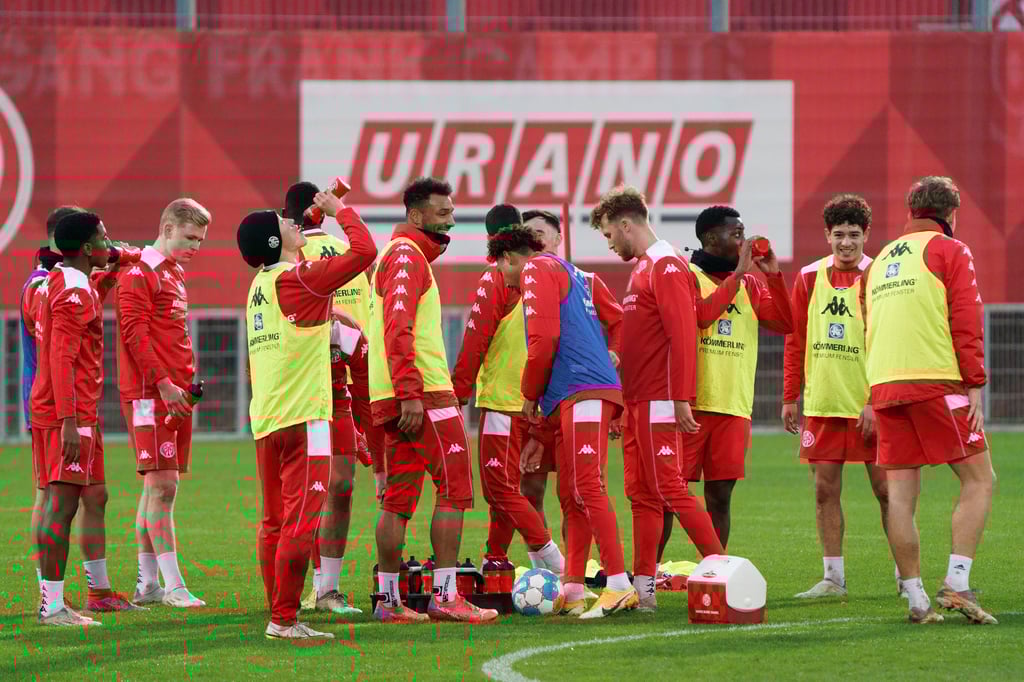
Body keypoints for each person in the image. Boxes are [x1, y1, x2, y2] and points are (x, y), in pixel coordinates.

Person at [238, 191, 377, 640]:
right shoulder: (300, 278)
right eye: (282, 222)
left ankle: (279, 605)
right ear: (275, 244)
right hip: (305, 419)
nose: (292, 222)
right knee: (302, 521)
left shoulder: (259, 286)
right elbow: (365, 252)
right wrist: (341, 213)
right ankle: (283, 619)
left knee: (273, 521)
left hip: (268, 418)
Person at [861, 176, 996, 625]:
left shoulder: (878, 260)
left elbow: (870, 329)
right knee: (980, 478)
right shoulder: (950, 250)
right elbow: (966, 317)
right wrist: (974, 381)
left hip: (885, 385)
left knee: (900, 495)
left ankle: (916, 601)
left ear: (911, 211)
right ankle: (957, 585)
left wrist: (870, 392)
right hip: (934, 380)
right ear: (951, 214)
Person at [368, 177, 498, 624]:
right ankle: (445, 596)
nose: (451, 219)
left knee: (397, 499)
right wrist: (410, 392)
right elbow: (396, 325)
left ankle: (389, 603)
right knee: (455, 488)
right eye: (443, 213)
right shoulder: (406, 256)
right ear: (416, 216)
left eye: (452, 211)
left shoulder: (396, 255)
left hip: (398, 392)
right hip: (420, 393)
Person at [491, 224, 636, 620]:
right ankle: (572, 587)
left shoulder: (536, 270)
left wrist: (528, 393)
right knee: (572, 491)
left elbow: (543, 342)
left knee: (588, 486)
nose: (505, 281)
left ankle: (619, 585)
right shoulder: (572, 272)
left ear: (508, 259)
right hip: (578, 391)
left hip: (584, 387)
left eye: (501, 271)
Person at [590, 186, 725, 611]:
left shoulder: (665, 265)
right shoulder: (646, 268)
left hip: (660, 399)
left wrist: (681, 395)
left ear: (627, 224)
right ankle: (644, 592)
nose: (609, 242)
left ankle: (726, 570)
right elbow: (700, 315)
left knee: (671, 488)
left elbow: (685, 330)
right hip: (638, 400)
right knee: (642, 494)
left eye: (610, 234)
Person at [31, 211, 142, 625]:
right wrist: (68, 420)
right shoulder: (73, 292)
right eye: (103, 237)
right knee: (61, 504)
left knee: (94, 496)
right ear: (87, 248)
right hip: (68, 413)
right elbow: (63, 357)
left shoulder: (67, 281)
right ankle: (53, 605)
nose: (109, 243)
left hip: (77, 411)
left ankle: (95, 593)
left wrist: (111, 273)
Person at [782, 194, 892, 599]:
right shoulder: (809, 277)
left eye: (854, 235)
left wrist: (876, 401)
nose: (846, 242)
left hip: (869, 406)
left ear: (867, 236)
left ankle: (905, 576)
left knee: (886, 491)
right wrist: (790, 395)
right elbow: (795, 339)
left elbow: (888, 344)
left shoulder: (881, 275)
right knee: (824, 490)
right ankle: (833, 580)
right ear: (827, 235)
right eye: (839, 234)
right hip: (825, 403)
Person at [451, 204, 564, 574]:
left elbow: (476, 337)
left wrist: (460, 390)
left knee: (499, 488)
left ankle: (556, 562)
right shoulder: (550, 275)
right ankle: (495, 557)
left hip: (503, 399)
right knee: (511, 485)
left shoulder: (496, 277)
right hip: (538, 398)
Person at [678, 205, 794, 549]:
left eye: (744, 234)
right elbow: (700, 317)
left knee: (720, 498)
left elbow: (786, 324)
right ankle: (648, 578)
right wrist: (740, 273)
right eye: (736, 235)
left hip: (733, 406)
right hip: (690, 406)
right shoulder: (685, 276)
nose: (744, 242)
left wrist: (773, 275)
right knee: (667, 497)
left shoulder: (752, 286)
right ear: (711, 238)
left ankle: (714, 575)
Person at [116, 198, 211, 608]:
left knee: (154, 488)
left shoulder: (172, 271)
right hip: (149, 395)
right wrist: (164, 383)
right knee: (163, 486)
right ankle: (173, 587)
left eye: (201, 240)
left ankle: (148, 585)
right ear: (167, 227)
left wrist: (183, 384)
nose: (196, 247)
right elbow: (133, 334)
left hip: (174, 394)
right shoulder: (140, 273)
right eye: (190, 237)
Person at [282, 181, 368, 616]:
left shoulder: (335, 250)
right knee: (318, 489)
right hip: (304, 392)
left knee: (340, 486)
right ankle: (292, 590)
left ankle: (326, 588)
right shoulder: (284, 262)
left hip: (342, 388)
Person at [513, 209, 622, 540]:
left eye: (541, 232)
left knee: (582, 486)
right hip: (533, 396)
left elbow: (618, 320)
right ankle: (545, 566)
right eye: (528, 233)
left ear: (558, 238)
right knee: (530, 484)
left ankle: (584, 566)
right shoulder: (516, 279)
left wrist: (613, 352)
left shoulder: (584, 280)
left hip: (570, 392)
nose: (535, 238)